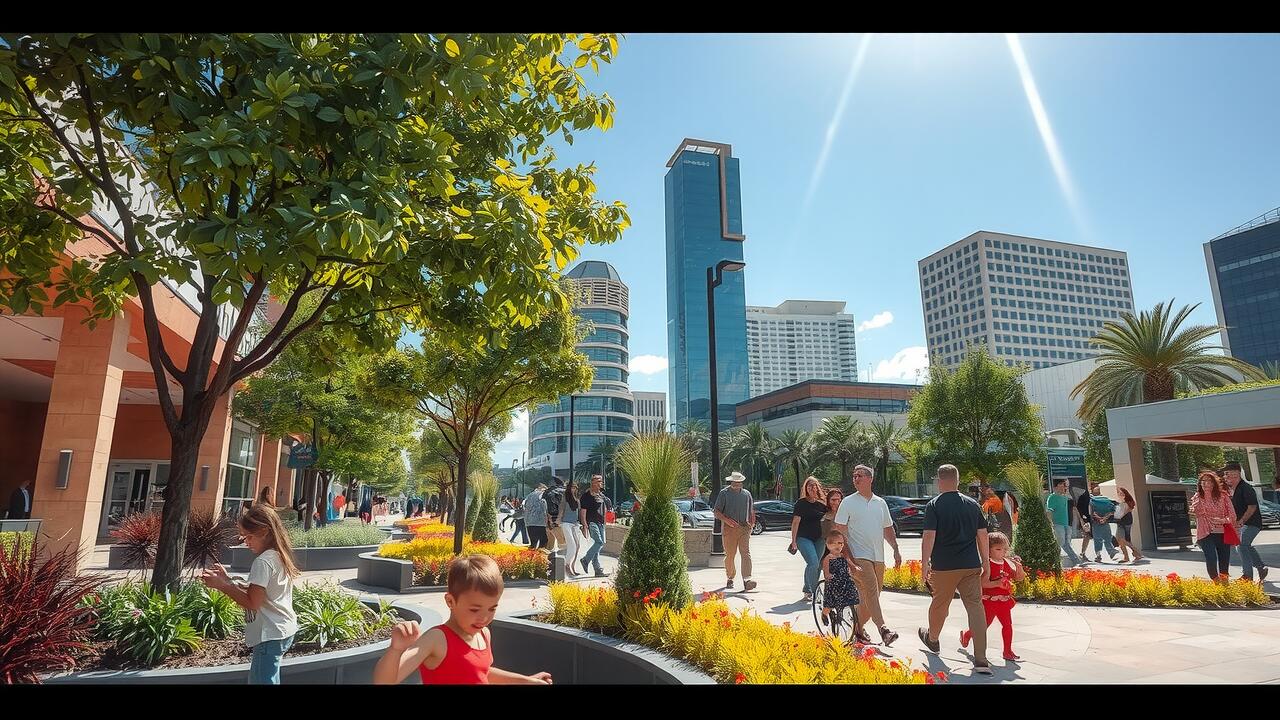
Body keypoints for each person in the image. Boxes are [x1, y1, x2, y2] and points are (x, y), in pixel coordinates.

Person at [373, 554, 552, 685]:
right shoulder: (437, 639)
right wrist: (396, 649)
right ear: (450, 601)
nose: (484, 617)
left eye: (492, 608)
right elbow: (384, 681)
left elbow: (482, 674)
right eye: (474, 609)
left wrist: (526, 681)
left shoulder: (484, 634)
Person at [200, 504, 300, 684]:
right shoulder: (277, 555)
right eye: (243, 537)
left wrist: (221, 586)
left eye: (249, 536)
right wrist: (228, 581)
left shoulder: (263, 562)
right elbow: (261, 595)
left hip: (270, 633)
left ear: (264, 531)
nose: (246, 542)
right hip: (281, 630)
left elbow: (252, 602)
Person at [918, 464, 992, 675]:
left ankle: (932, 639)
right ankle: (981, 659)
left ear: (939, 480)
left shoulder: (934, 505)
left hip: (943, 566)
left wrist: (924, 565)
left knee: (940, 605)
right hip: (970, 565)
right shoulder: (972, 504)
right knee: (976, 608)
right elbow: (983, 534)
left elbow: (929, 536)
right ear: (958, 480)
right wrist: (985, 562)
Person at [833, 464, 902, 647]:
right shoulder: (848, 502)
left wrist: (895, 548)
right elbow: (839, 530)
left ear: (870, 479)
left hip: (878, 556)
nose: (856, 478)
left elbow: (887, 528)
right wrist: (847, 557)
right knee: (871, 588)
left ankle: (857, 629)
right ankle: (884, 630)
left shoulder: (880, 503)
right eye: (854, 476)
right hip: (858, 556)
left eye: (860, 475)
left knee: (872, 598)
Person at [961, 531, 1025, 662]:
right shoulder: (988, 564)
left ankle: (1007, 651)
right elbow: (983, 583)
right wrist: (997, 583)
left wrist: (1019, 567)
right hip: (989, 602)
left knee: (1007, 625)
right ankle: (967, 635)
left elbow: (1018, 577)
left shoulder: (1006, 563)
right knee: (984, 625)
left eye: (1005, 549)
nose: (1002, 552)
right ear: (988, 550)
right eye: (998, 549)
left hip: (1003, 602)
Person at [1224, 461, 1269, 584]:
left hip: (1252, 523)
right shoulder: (1233, 489)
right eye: (1225, 474)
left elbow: (1252, 507)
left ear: (1236, 474)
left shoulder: (1246, 488)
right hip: (1243, 524)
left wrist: (1242, 521)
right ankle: (1261, 567)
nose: (1226, 476)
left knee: (1242, 545)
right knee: (1244, 546)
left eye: (1228, 473)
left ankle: (1247, 576)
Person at [712, 471, 756, 592]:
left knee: (745, 553)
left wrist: (752, 521)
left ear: (742, 482)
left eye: (739, 482)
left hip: (744, 528)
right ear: (731, 482)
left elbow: (751, 509)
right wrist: (727, 521)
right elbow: (716, 511)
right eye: (734, 482)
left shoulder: (747, 494)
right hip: (729, 528)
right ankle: (730, 577)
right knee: (730, 555)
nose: (736, 484)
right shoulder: (724, 493)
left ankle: (747, 579)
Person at [1192, 470, 1235, 581]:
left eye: (1209, 481)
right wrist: (1195, 507)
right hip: (1205, 533)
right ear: (1200, 483)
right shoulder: (1197, 497)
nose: (1206, 483)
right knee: (1211, 558)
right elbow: (1196, 512)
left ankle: (1225, 586)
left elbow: (1232, 516)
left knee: (1224, 561)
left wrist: (1222, 520)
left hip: (1223, 532)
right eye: (1203, 481)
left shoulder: (1223, 496)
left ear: (1214, 483)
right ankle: (1216, 583)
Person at [789, 476, 827, 602]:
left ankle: (807, 590)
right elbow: (795, 522)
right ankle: (815, 590)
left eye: (814, 485)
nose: (812, 488)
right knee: (813, 563)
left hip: (819, 539)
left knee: (817, 565)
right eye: (809, 485)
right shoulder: (801, 503)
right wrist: (793, 541)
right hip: (803, 538)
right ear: (806, 488)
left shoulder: (822, 503)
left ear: (817, 487)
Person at [820, 530, 861, 627]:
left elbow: (848, 562)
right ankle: (824, 614)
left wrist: (854, 566)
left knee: (850, 594)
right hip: (834, 582)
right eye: (836, 543)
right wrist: (827, 575)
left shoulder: (843, 556)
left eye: (841, 543)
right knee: (829, 604)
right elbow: (825, 568)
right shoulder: (828, 558)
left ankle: (843, 612)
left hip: (844, 580)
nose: (839, 546)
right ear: (828, 545)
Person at [577, 475, 609, 578]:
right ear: (593, 482)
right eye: (598, 481)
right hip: (591, 522)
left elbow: (604, 508)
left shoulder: (601, 495)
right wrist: (584, 524)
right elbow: (583, 511)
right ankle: (585, 560)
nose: (600, 483)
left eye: (601, 481)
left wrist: (605, 521)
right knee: (599, 542)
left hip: (601, 522)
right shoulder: (586, 496)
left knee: (599, 545)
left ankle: (597, 570)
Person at [1045, 479, 1080, 568]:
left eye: (1064, 486)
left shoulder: (1064, 498)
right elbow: (1049, 511)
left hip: (1066, 524)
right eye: (1061, 486)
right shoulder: (1052, 497)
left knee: (1066, 544)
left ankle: (1075, 561)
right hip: (1057, 524)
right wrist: (1050, 523)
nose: (1063, 488)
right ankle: (1054, 562)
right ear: (1055, 487)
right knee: (1060, 543)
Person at [1088, 482, 1120, 563]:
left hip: (1096, 523)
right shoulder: (1107, 500)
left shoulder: (1092, 501)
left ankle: (1098, 556)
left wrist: (1099, 519)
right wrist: (1104, 518)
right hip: (1105, 522)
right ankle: (1111, 552)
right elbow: (1112, 511)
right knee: (1107, 538)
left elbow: (1091, 512)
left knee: (1097, 539)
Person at [1113, 487, 1144, 563]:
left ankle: (1135, 552)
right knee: (1124, 540)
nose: (1119, 495)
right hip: (1127, 522)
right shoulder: (1128, 503)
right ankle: (1132, 555)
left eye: (1121, 493)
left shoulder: (1125, 503)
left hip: (1122, 522)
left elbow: (1120, 515)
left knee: (1120, 539)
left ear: (1125, 494)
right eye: (1119, 493)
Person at [561, 480, 583, 579]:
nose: (573, 489)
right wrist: (557, 521)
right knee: (572, 545)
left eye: (575, 487)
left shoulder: (577, 499)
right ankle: (565, 565)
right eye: (571, 487)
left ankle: (571, 566)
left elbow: (578, 513)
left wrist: (581, 524)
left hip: (575, 524)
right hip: (566, 523)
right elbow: (561, 510)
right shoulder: (565, 498)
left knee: (578, 546)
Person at [542, 477, 566, 553]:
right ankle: (563, 564)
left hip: (547, 521)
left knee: (549, 546)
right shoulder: (563, 491)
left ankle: (544, 563)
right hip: (558, 521)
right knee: (563, 544)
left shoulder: (546, 492)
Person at [523, 484, 548, 549]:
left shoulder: (529, 495)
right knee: (543, 542)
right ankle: (539, 557)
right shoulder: (545, 495)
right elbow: (546, 507)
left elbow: (524, 506)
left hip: (529, 522)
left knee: (533, 544)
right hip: (542, 522)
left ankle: (530, 558)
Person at [1076, 483, 1093, 560]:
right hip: (1087, 519)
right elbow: (1079, 509)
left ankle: (1083, 553)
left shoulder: (1092, 497)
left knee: (1088, 536)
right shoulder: (1083, 497)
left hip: (1092, 519)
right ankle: (1082, 553)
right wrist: (1082, 519)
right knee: (1087, 536)